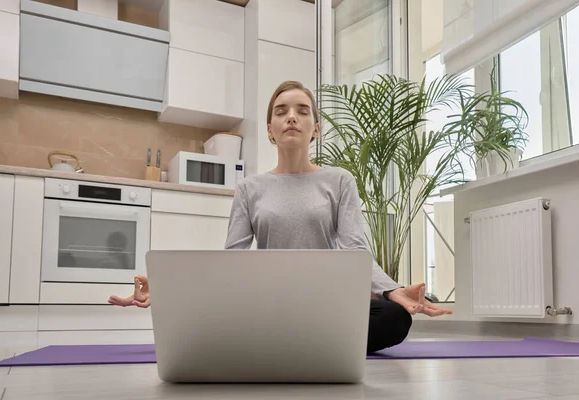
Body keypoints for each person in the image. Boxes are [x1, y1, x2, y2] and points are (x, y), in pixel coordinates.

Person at [108, 80, 452, 353]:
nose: (292, 117)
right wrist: (172, 288)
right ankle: (308, 344)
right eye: (281, 111)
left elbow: (355, 249)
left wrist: (392, 291)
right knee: (209, 318)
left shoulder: (339, 180)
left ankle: (278, 343)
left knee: (394, 319)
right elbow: (233, 260)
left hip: (323, 306)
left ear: (315, 129)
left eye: (303, 111)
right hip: (269, 305)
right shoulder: (249, 188)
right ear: (270, 129)